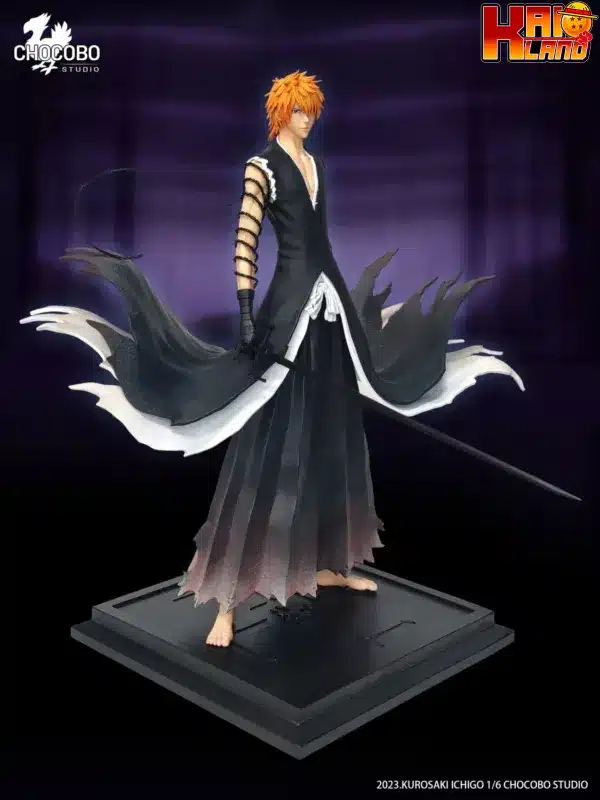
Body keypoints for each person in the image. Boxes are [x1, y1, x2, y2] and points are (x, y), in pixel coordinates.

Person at [20, 70, 524, 648]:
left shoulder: (317, 166)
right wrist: (244, 309)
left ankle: (327, 564)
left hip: (330, 317)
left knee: (334, 440)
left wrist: (340, 310)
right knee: (267, 450)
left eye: (312, 112)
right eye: (298, 111)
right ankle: (228, 601)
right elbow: (245, 239)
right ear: (281, 112)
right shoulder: (261, 168)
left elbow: (320, 244)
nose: (306, 120)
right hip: (286, 319)